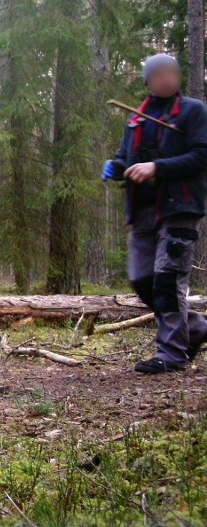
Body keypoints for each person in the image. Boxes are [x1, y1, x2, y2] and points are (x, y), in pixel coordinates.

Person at [103, 53, 207, 374]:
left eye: (171, 74)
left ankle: (173, 353)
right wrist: (117, 167)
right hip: (144, 212)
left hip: (180, 209)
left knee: (167, 279)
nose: (166, 79)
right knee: (142, 280)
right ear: (148, 80)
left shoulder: (193, 111)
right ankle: (197, 328)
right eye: (158, 74)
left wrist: (157, 168)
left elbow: (202, 155)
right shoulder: (137, 118)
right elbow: (126, 157)